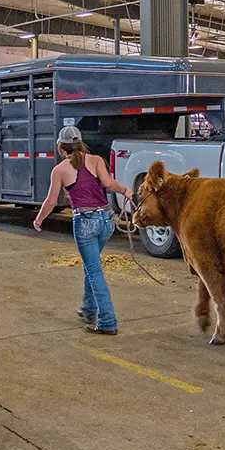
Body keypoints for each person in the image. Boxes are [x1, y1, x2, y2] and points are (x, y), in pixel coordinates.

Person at [33, 126, 133, 336]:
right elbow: (108, 184)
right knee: (92, 264)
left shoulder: (60, 170)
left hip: (85, 222)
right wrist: (126, 191)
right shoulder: (96, 160)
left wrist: (39, 219)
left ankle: (107, 321)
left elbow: (51, 201)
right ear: (80, 143)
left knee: (94, 271)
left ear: (61, 146)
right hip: (106, 220)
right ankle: (89, 309)